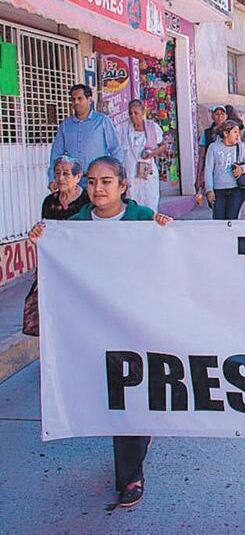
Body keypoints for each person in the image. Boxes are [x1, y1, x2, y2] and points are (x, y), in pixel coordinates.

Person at [29, 156, 171, 509]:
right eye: (91, 181)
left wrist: (167, 229)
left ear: (123, 186)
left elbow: (173, 255)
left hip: (137, 325)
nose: (98, 189)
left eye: (106, 181)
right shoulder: (74, 226)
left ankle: (131, 476)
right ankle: (137, 446)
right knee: (113, 395)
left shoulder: (142, 218)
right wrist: (42, 239)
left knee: (131, 395)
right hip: (95, 327)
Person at [48, 83, 123, 189]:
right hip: (73, 181)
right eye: (73, 99)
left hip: (98, 180)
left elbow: (115, 149)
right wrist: (52, 178)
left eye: (80, 98)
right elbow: (56, 153)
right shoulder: (65, 125)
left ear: (89, 100)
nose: (76, 102)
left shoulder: (102, 121)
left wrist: (117, 175)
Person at [117, 100, 166, 211]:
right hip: (130, 171)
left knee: (150, 200)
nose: (133, 116)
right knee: (132, 201)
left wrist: (152, 154)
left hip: (147, 171)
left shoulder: (152, 127)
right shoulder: (123, 128)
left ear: (143, 112)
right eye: (130, 113)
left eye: (136, 113)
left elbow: (163, 145)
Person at [204, 120, 245, 220]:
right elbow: (208, 169)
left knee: (233, 220)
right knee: (218, 220)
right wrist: (209, 190)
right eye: (235, 132)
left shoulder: (241, 147)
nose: (238, 135)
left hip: (236, 190)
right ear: (225, 133)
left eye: (238, 132)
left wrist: (242, 169)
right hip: (218, 190)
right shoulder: (213, 147)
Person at [196, 105, 227, 194]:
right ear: (212, 116)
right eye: (217, 114)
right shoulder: (206, 133)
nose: (220, 116)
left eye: (222, 114)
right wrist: (198, 177)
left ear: (226, 116)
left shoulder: (231, 131)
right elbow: (202, 156)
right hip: (212, 172)